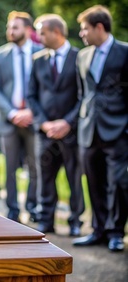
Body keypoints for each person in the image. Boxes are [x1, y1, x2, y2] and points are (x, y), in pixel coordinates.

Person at [72, 5, 128, 252]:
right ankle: (99, 230)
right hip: (88, 129)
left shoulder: (125, 52)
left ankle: (117, 232)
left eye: (85, 29)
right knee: (93, 181)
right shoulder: (82, 55)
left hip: (118, 130)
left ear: (99, 27)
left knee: (118, 183)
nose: (82, 34)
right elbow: (83, 93)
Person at [27, 14, 84, 236]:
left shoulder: (79, 57)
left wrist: (67, 123)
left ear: (56, 32)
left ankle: (76, 221)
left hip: (71, 132)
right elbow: (31, 95)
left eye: (41, 32)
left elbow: (83, 95)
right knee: (45, 178)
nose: (38, 36)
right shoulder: (37, 59)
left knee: (74, 178)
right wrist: (43, 123)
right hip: (45, 132)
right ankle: (46, 220)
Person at [0, 11, 42, 222]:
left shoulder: (41, 52)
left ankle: (33, 205)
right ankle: (12, 209)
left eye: (15, 27)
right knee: (9, 167)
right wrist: (12, 112)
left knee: (36, 165)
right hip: (7, 119)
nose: (10, 31)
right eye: (9, 27)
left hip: (34, 118)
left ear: (28, 30)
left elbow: (45, 89)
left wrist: (31, 112)